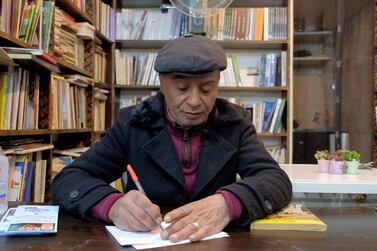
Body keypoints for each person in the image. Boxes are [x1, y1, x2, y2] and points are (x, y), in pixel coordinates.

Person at [52, 34, 292, 243]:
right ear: (162, 85)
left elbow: (275, 180)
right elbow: (69, 180)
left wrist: (229, 203)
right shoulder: (134, 123)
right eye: (182, 89)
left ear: (218, 85)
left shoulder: (235, 122)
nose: (196, 101)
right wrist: (111, 205)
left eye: (207, 89)